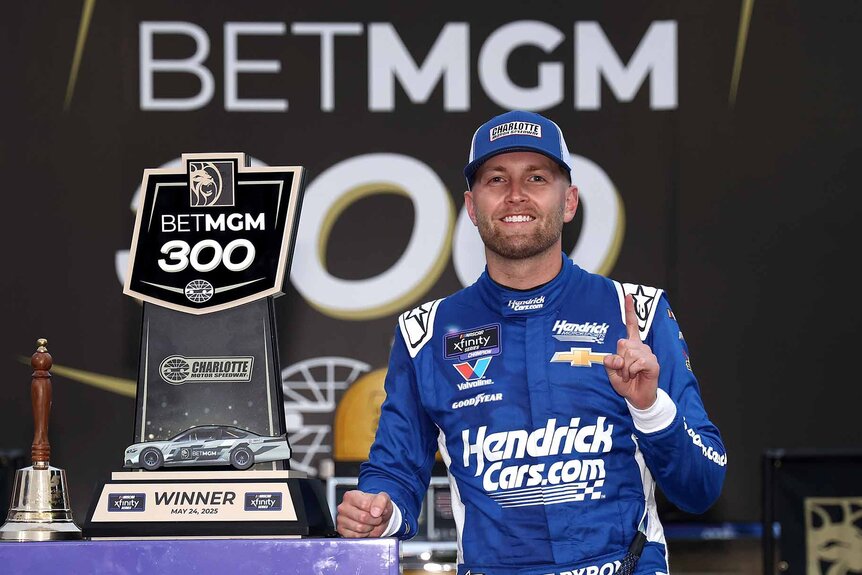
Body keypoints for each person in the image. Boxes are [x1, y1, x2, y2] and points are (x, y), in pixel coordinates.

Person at [336, 110, 727, 575]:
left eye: (537, 178)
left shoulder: (637, 314)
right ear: (471, 206)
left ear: (569, 202)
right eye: (496, 179)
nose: (515, 194)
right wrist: (377, 516)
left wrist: (650, 408)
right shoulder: (426, 333)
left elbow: (702, 488)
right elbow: (395, 474)